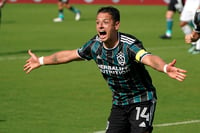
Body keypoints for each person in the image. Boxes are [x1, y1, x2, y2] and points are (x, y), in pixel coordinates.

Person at [24, 6, 187, 133]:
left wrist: (165, 68)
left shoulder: (129, 45)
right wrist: (41, 60)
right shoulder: (94, 46)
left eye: (105, 22)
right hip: (119, 102)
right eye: (97, 22)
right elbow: (68, 56)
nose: (100, 26)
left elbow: (148, 58)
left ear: (116, 25)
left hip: (142, 99)